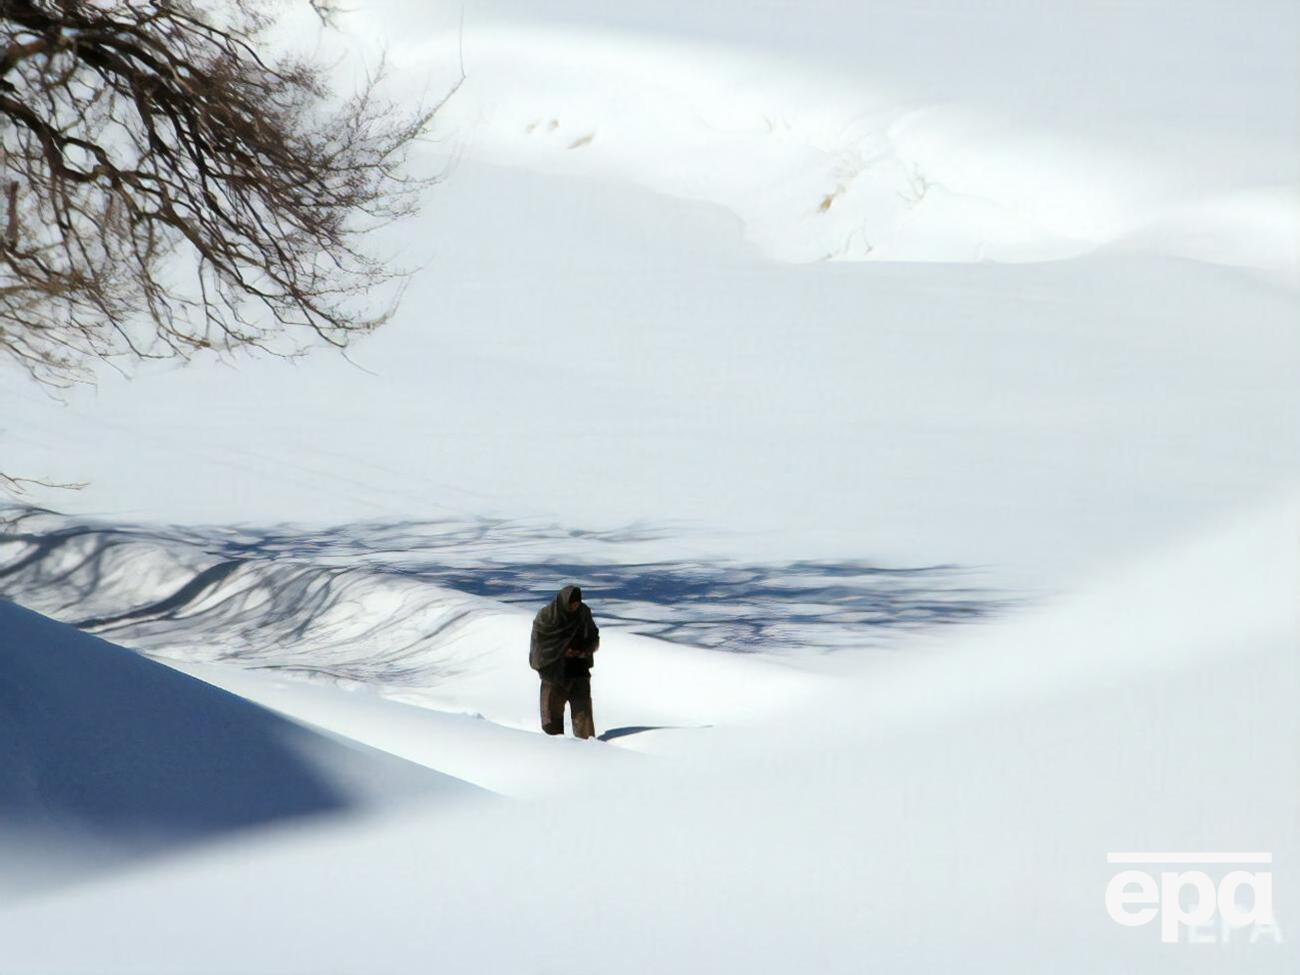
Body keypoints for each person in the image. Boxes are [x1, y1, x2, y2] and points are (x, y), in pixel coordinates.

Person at [529, 584, 600, 739]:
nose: (574, 607)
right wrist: (562, 651)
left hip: (578, 671)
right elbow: (541, 644)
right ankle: (556, 756)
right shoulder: (547, 616)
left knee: (584, 722)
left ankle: (589, 754)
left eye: (577, 604)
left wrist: (583, 651)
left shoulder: (583, 613)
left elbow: (593, 636)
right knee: (551, 725)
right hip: (553, 674)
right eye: (571, 604)